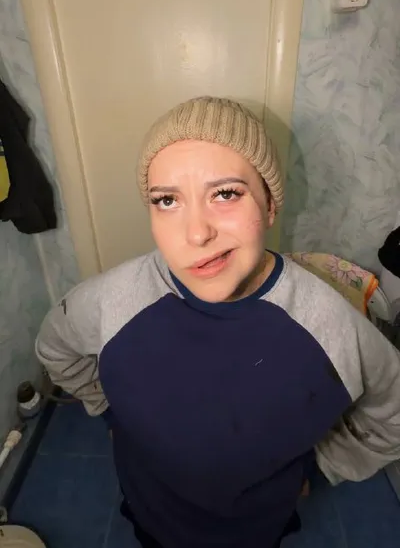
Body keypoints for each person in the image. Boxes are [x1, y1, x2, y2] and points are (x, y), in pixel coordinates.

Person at [36, 96, 400, 548]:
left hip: (254, 528)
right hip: (150, 510)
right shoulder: (111, 302)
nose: (196, 233)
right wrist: (109, 409)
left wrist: (325, 465)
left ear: (270, 205)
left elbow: (393, 411)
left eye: (225, 193)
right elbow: (55, 349)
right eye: (167, 200)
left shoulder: (332, 330)